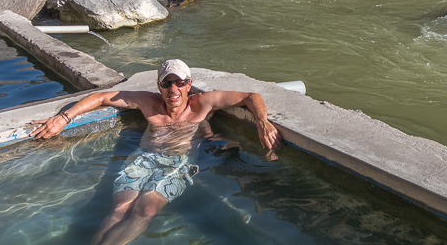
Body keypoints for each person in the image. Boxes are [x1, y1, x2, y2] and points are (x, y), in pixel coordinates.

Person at [29, 59, 281, 245]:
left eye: (180, 83)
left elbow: (251, 96)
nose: (174, 89)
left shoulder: (202, 103)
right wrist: (64, 117)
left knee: (145, 209)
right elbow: (102, 97)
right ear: (159, 85)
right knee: (118, 209)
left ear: (188, 84)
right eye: (167, 83)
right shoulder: (148, 102)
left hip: (178, 163)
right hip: (143, 159)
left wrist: (262, 121)